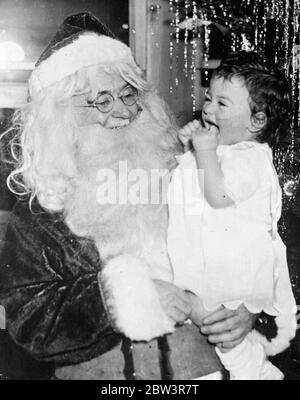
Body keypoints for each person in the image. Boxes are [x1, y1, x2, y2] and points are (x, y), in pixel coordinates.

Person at [0, 13, 269, 380]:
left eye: (129, 95)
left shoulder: (188, 173)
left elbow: (260, 240)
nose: (125, 112)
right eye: (102, 101)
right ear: (58, 116)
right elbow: (30, 320)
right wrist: (121, 297)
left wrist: (250, 308)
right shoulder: (39, 211)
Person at [167, 52, 297, 380]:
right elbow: (191, 189)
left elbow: (217, 194)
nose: (208, 109)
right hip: (209, 263)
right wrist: (191, 151)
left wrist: (204, 150)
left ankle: (258, 372)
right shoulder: (226, 150)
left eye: (222, 105)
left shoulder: (251, 159)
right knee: (208, 325)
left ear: (257, 121)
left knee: (217, 327)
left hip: (233, 272)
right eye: (209, 98)